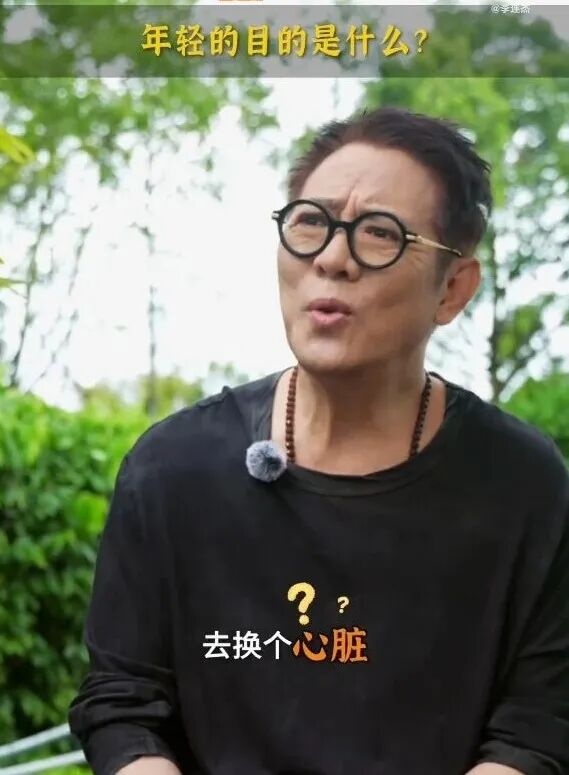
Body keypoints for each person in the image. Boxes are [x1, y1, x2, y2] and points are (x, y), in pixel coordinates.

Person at [68, 106, 569, 775]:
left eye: (379, 233)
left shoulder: (521, 484)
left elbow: (537, 726)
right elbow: (123, 701)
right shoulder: (172, 468)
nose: (332, 259)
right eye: (311, 222)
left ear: (452, 289)